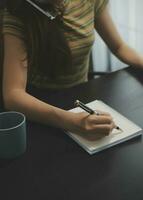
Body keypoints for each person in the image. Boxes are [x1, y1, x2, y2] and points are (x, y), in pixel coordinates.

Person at [0, 0, 143, 138]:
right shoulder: (17, 14)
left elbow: (119, 47)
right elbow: (13, 95)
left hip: (84, 96)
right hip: (42, 108)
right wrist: (72, 122)